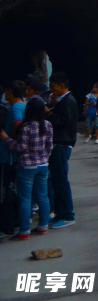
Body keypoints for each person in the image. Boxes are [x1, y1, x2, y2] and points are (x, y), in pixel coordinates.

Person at [0, 98, 53, 239]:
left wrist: (6, 138)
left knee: (25, 199)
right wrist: (44, 158)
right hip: (43, 165)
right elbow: (49, 146)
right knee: (43, 197)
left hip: (26, 167)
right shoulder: (47, 125)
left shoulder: (26, 127)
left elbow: (20, 148)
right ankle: (43, 226)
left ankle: (24, 231)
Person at [45, 72, 76, 229]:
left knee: (61, 180)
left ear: (62, 86)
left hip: (62, 144)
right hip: (58, 144)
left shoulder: (68, 101)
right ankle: (59, 213)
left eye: (53, 86)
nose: (51, 90)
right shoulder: (62, 100)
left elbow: (64, 122)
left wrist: (48, 113)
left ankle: (68, 215)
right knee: (56, 180)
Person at [0, 81, 26, 235]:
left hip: (8, 156)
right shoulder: (23, 105)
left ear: (10, 91)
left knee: (6, 191)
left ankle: (7, 225)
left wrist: (10, 139)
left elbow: (17, 123)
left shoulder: (16, 107)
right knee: (14, 190)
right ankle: (16, 221)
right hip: (14, 156)